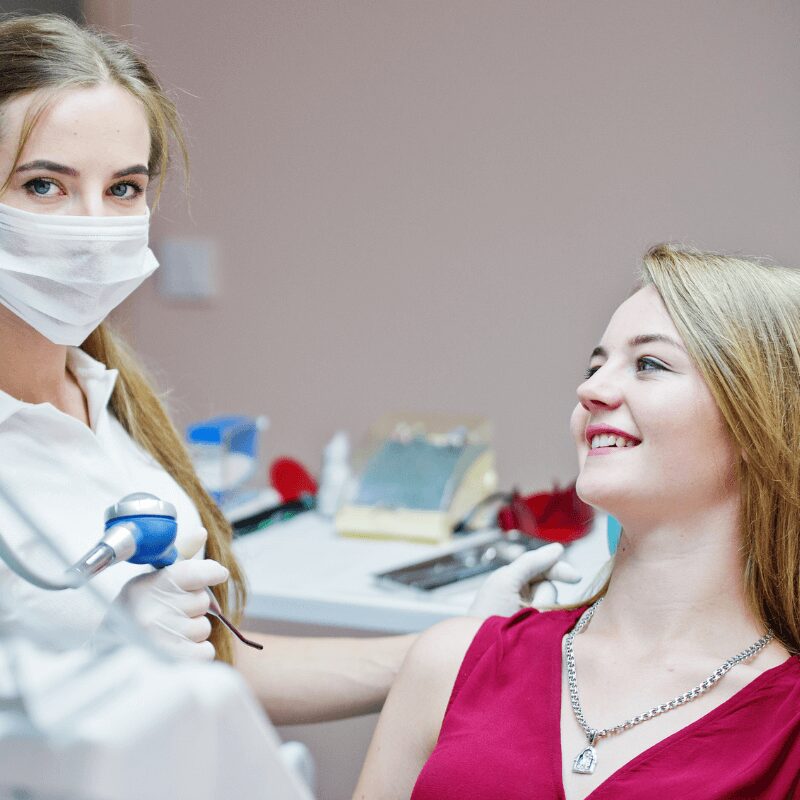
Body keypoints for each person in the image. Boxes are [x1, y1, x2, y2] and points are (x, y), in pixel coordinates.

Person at [0, 13, 580, 726]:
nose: (94, 227)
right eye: (43, 186)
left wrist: (459, 643)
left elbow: (219, 668)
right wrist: (100, 671)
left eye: (123, 189)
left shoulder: (103, 400)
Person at [354, 244, 800, 798]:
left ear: (762, 417)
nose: (589, 390)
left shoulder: (787, 728)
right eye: (594, 367)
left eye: (650, 364)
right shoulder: (451, 662)